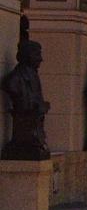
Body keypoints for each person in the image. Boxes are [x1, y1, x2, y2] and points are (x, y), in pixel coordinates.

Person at [1, 26, 50, 160]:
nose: (41, 59)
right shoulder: (14, 79)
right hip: (24, 134)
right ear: (27, 55)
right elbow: (12, 88)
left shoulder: (34, 77)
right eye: (37, 55)